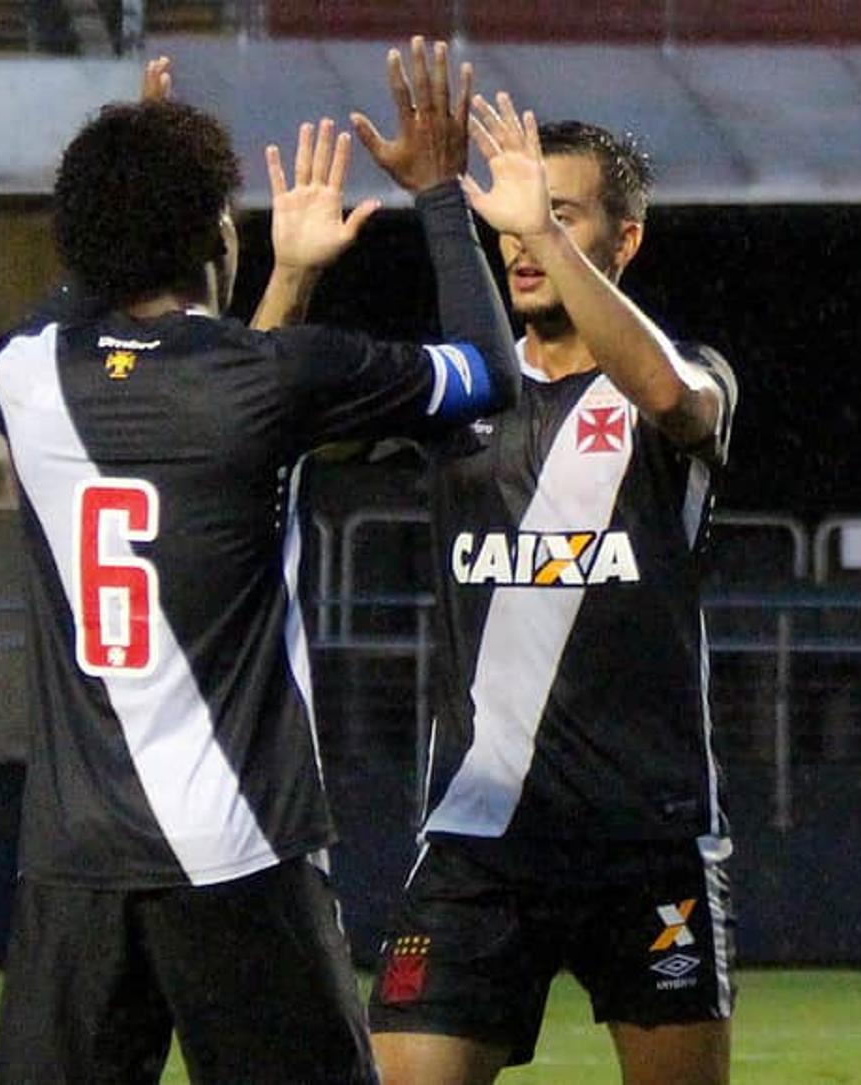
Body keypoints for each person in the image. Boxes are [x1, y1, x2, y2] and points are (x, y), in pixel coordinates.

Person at [0, 40, 548, 1084]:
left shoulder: (19, 373)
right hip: (237, 848)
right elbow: (491, 376)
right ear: (209, 236)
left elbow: (147, 353)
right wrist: (435, 197)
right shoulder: (273, 375)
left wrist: (142, 165)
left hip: (75, 861)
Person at [365, 97, 739, 1085]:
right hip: (478, 843)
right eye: (518, 208)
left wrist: (532, 225)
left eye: (560, 211)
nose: (525, 233)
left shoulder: (684, 376)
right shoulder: (460, 393)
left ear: (627, 238)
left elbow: (672, 399)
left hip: (646, 838)